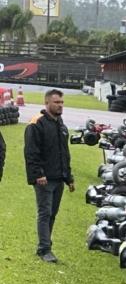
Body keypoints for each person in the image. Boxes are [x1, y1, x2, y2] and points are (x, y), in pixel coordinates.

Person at [24, 89, 74, 263]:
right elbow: (31, 152)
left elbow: (64, 153)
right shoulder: (36, 123)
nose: (60, 105)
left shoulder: (61, 125)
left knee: (52, 213)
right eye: (56, 102)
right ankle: (44, 249)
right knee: (45, 213)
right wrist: (38, 174)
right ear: (47, 103)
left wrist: (69, 177)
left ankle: (46, 244)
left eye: (62, 102)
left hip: (58, 177)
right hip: (44, 178)